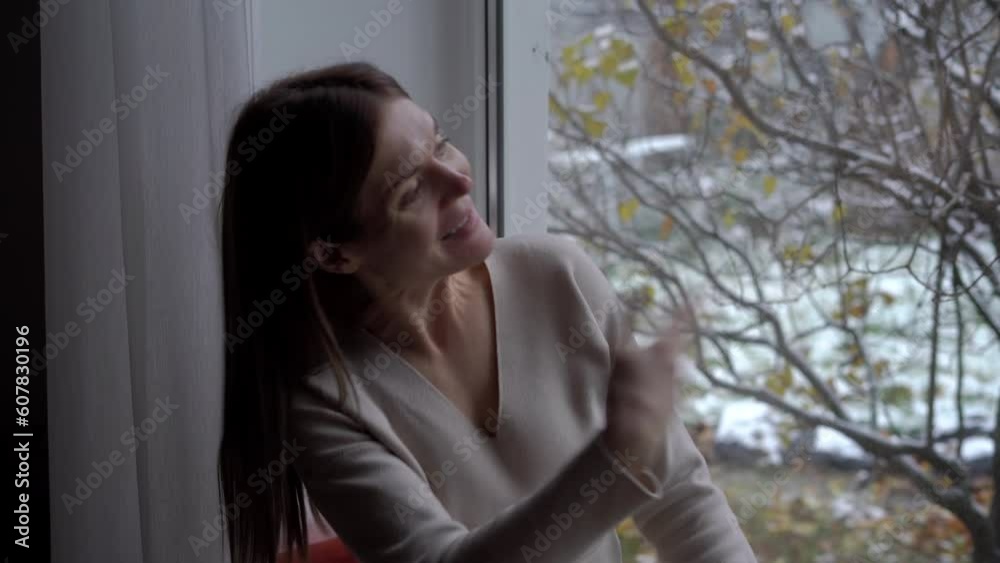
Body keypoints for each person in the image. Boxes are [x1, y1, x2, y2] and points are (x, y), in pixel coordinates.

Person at [217, 62, 757, 563]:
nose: (459, 181)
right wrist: (616, 460)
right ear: (336, 253)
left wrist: (635, 452)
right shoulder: (322, 400)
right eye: (411, 190)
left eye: (442, 144)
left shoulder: (557, 275)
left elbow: (683, 499)